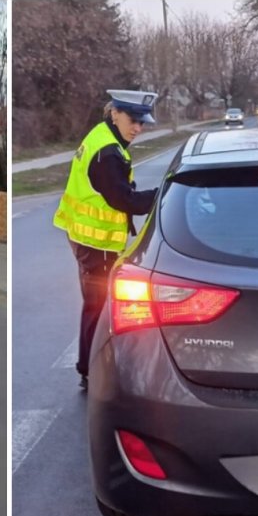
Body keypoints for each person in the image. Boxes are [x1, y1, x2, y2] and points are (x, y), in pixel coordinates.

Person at [53, 90, 160, 391]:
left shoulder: (104, 138)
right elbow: (123, 199)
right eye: (133, 120)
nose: (138, 128)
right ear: (115, 114)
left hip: (86, 238)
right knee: (98, 309)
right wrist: (162, 196)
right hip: (95, 244)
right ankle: (90, 370)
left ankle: (91, 368)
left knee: (96, 306)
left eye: (142, 123)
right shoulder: (108, 153)